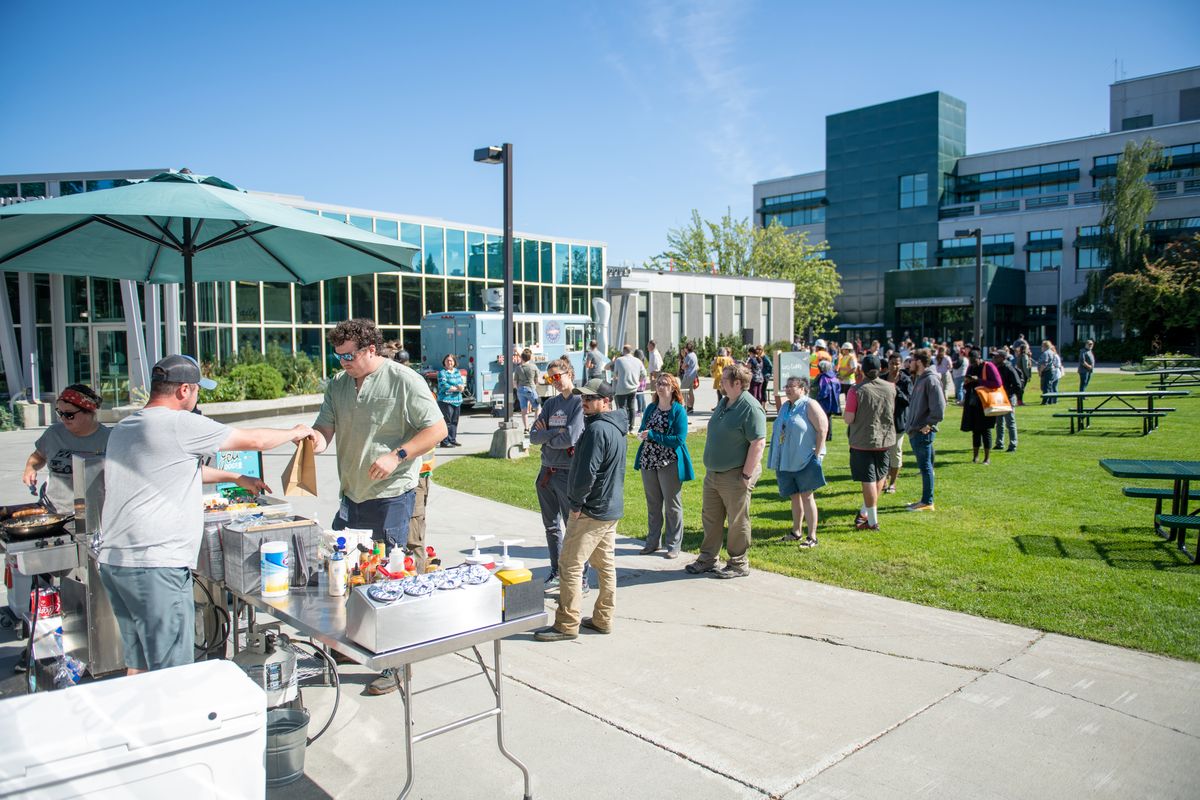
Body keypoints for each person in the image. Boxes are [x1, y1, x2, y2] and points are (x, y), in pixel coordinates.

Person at [99, 355, 312, 674]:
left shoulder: (127, 426)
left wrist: (235, 478)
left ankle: (144, 721)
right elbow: (251, 441)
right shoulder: (179, 423)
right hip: (155, 565)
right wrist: (294, 431)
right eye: (197, 389)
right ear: (183, 390)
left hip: (116, 563)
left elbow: (178, 469)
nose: (198, 396)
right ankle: (178, 724)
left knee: (140, 663)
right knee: (173, 672)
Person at [311, 319, 447, 694]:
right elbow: (325, 428)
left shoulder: (404, 380)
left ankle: (397, 663)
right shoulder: (338, 385)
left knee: (390, 577)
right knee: (346, 573)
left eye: (349, 356)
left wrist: (398, 455)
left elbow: (437, 429)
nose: (343, 363)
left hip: (393, 493)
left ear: (371, 349)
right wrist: (312, 442)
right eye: (338, 356)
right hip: (351, 494)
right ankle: (348, 644)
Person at [534, 379, 627, 641]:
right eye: (583, 399)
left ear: (606, 401)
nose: (584, 403)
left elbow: (587, 473)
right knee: (604, 564)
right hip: (610, 508)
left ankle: (566, 624)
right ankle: (602, 619)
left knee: (570, 564)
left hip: (592, 510)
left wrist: (575, 505)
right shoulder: (616, 426)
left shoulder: (597, 430)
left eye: (591, 399)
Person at [685, 363, 766, 579]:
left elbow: (758, 442)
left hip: (735, 474)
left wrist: (746, 475)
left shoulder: (750, 407)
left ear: (737, 383)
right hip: (714, 473)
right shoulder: (725, 401)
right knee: (710, 518)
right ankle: (708, 559)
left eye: (724, 379)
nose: (720, 382)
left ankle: (738, 563)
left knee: (737, 520)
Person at [529, 357, 589, 593]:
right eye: (550, 378)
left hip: (567, 472)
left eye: (557, 377)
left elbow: (571, 438)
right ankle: (556, 572)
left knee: (572, 526)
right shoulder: (552, 403)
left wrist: (549, 435)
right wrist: (557, 432)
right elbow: (534, 436)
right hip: (546, 472)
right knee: (551, 527)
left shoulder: (578, 402)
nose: (554, 382)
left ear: (569, 374)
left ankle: (580, 577)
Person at [23, 384, 110, 512]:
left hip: (93, 514)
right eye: (60, 412)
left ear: (88, 411)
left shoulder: (108, 439)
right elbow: (38, 456)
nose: (63, 418)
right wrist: (30, 468)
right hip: (53, 510)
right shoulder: (53, 433)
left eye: (69, 414)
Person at [634, 374, 694, 559]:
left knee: (672, 505)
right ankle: (652, 542)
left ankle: (674, 545)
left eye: (665, 384)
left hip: (669, 462)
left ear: (673, 388)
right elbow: (643, 428)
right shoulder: (651, 408)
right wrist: (642, 434)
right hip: (648, 460)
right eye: (658, 383)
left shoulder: (678, 411)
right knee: (653, 504)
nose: (660, 386)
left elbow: (679, 439)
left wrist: (652, 435)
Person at [769, 376, 827, 547]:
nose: (787, 389)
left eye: (791, 387)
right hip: (786, 460)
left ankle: (812, 536)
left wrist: (816, 455)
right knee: (794, 497)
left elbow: (822, 429)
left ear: (802, 389)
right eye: (786, 386)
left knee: (807, 496)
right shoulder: (786, 406)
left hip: (805, 459)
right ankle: (796, 532)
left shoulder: (810, 405)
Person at [844, 355, 895, 531]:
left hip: (862, 440)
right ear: (880, 369)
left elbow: (849, 418)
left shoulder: (856, 390)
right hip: (885, 438)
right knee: (880, 476)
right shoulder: (890, 388)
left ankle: (872, 521)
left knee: (868, 479)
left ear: (862, 370)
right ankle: (866, 512)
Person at [905, 349, 945, 512]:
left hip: (923, 432)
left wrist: (928, 425)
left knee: (926, 467)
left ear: (919, 362)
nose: (909, 363)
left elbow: (940, 408)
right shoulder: (921, 379)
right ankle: (924, 499)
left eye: (912, 360)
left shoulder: (931, 380)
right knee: (925, 467)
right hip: (916, 430)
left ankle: (927, 501)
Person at [961, 347, 1002, 464]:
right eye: (971, 362)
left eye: (974, 361)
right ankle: (975, 456)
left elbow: (997, 383)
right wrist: (967, 382)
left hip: (986, 402)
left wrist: (979, 380)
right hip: (973, 402)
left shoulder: (988, 366)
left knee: (986, 430)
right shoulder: (970, 367)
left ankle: (987, 458)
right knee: (975, 430)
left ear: (979, 358)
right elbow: (967, 385)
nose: (973, 364)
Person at [882, 353, 911, 495]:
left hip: (898, 422)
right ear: (888, 363)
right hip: (882, 422)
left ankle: (893, 483)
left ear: (901, 364)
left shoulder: (905, 380)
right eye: (892, 363)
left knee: (895, 453)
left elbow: (908, 401)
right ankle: (884, 480)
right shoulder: (882, 379)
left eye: (897, 363)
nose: (894, 366)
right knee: (882, 453)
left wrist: (896, 389)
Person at [611, 344, 647, 433]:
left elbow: (615, 374)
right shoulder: (638, 361)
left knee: (622, 408)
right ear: (631, 351)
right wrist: (638, 381)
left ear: (623, 350)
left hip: (621, 388)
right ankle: (632, 426)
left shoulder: (619, 360)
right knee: (631, 407)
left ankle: (623, 426)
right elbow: (644, 374)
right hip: (633, 387)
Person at [992, 348, 1022, 453]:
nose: (994, 358)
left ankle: (1013, 444)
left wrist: (1008, 393)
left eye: (996, 356)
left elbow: (1018, 385)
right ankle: (999, 443)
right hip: (999, 397)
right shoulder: (996, 368)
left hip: (1008, 398)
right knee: (999, 422)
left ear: (1003, 358)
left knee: (1010, 422)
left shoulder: (1009, 368)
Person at [436, 354, 465, 447]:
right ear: (444, 362)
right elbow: (443, 385)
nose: (449, 362)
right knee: (446, 422)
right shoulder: (442, 372)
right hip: (445, 400)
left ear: (454, 362)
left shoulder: (457, 372)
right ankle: (444, 442)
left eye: (451, 360)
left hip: (457, 401)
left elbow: (461, 383)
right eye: (447, 360)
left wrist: (461, 387)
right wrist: (457, 388)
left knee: (454, 421)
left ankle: (452, 439)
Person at [514, 348, 540, 432]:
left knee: (523, 410)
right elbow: (537, 381)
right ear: (530, 357)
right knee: (538, 408)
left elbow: (515, 382)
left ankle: (526, 428)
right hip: (531, 389)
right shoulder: (534, 367)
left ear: (522, 357)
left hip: (520, 390)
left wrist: (518, 389)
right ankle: (535, 426)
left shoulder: (518, 368)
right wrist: (534, 387)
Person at [815, 360, 841, 442]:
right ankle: (829, 436)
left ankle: (825, 435)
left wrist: (818, 398)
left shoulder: (823, 377)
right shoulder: (834, 377)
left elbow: (824, 391)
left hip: (824, 402)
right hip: (832, 401)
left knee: (823, 418)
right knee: (828, 418)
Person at [1038, 340, 1062, 404]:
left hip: (1047, 371)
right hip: (1051, 371)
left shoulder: (1046, 353)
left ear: (1045, 346)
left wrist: (1040, 371)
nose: (1041, 348)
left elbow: (1044, 364)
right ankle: (1050, 401)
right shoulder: (1052, 352)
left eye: (1042, 346)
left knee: (1046, 387)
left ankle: (1045, 401)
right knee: (1050, 386)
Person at [680, 342, 699, 414]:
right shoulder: (694, 355)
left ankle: (689, 406)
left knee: (682, 391)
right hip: (693, 375)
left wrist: (685, 365)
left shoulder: (688, 356)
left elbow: (683, 366)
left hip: (688, 375)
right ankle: (691, 407)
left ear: (686, 349)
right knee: (690, 392)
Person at [633, 348, 649, 413]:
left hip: (640, 380)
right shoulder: (643, 361)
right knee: (642, 395)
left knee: (639, 395)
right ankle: (644, 408)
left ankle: (640, 410)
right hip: (643, 380)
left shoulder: (638, 362)